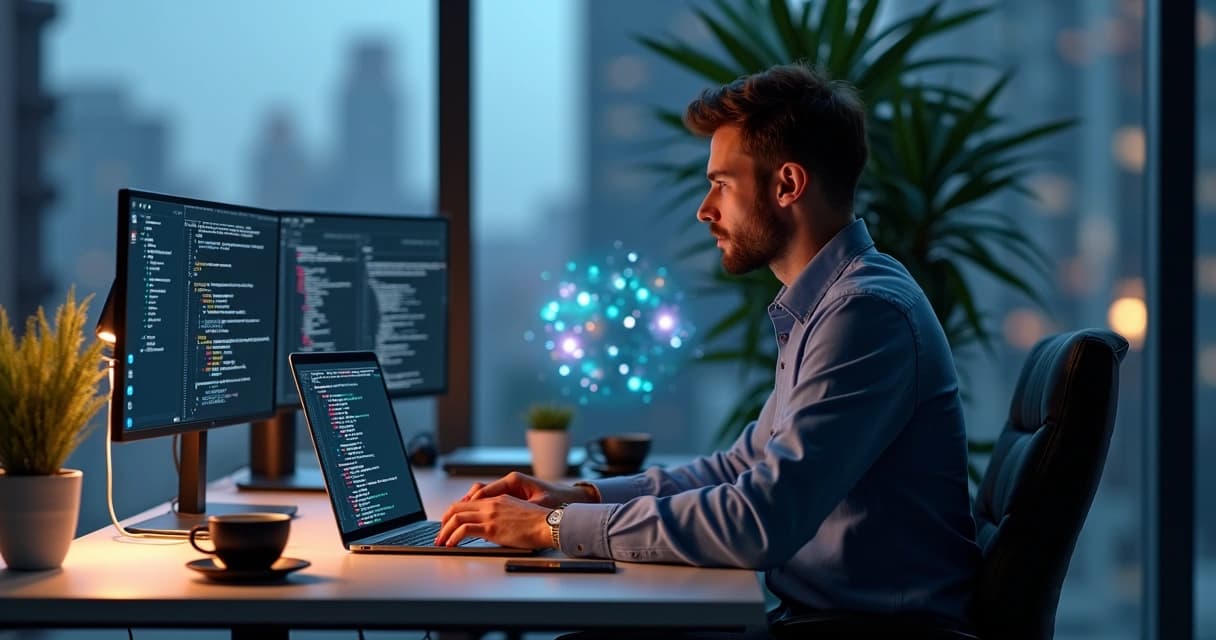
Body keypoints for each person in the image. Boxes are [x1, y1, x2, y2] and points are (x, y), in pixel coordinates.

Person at [437, 63, 980, 633]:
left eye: (722, 183)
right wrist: (575, 494)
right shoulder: (828, 305)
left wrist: (553, 527)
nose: (705, 209)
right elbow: (739, 467)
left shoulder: (863, 313)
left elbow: (759, 521)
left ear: (788, 185)